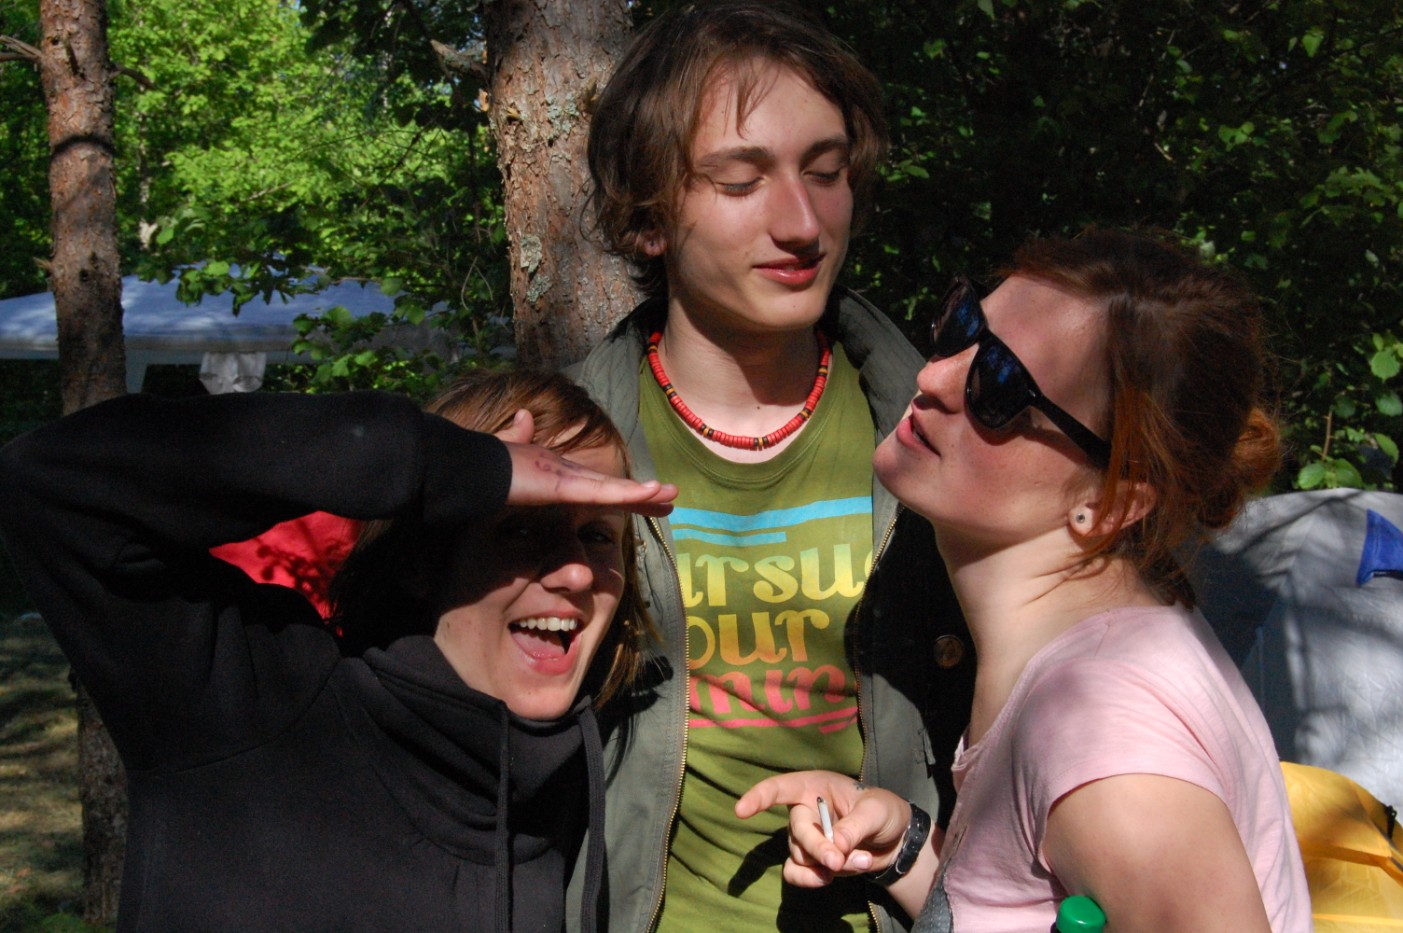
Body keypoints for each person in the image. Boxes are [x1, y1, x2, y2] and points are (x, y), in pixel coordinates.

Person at [737, 229, 1313, 931]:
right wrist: (909, 852)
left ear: (1110, 502)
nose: (934, 377)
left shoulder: (1104, 737)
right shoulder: (1078, 660)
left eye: (1000, 385)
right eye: (962, 327)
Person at [0, 370, 676, 932]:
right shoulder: (245, 703)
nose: (577, 572)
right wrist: (428, 461)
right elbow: (49, 482)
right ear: (421, 553)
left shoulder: (593, 775)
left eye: (597, 536)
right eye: (521, 530)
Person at [569, 2, 973, 930]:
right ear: (647, 219)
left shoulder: (946, 441)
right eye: (740, 180)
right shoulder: (569, 455)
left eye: (825, 172)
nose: (801, 221)